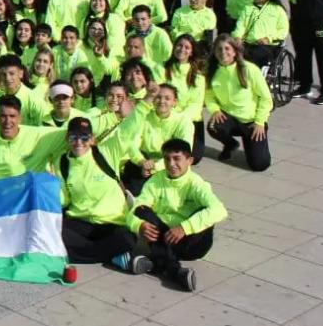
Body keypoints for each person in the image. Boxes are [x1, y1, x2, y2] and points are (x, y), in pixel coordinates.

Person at [127, 138, 227, 292]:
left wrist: (184, 227)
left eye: (177, 159)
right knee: (141, 210)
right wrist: (139, 225)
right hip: (165, 237)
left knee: (207, 211)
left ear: (190, 160)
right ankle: (176, 271)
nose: (171, 164)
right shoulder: (155, 180)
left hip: (192, 244)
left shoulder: (197, 183)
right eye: (167, 159)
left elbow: (219, 210)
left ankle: (155, 261)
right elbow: (136, 208)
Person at [57, 117, 148, 275]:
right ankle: (112, 257)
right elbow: (64, 199)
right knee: (52, 234)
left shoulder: (105, 153)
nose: (79, 142)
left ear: (92, 139)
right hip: (82, 221)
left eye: (84, 137)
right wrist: (49, 189)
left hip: (111, 222)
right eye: (74, 137)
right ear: (67, 138)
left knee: (127, 239)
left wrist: (147, 101)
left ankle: (94, 254)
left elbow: (126, 131)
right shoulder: (63, 163)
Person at [204, 35, 272, 171]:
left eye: (227, 48)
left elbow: (266, 98)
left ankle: (250, 144)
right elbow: (209, 96)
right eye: (219, 49)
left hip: (251, 121)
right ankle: (230, 144)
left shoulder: (249, 69)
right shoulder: (212, 72)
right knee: (213, 126)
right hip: (228, 118)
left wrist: (260, 122)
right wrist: (215, 110)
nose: (223, 52)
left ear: (234, 51)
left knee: (260, 165)